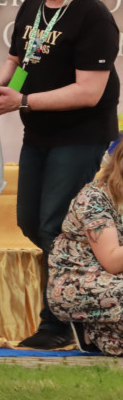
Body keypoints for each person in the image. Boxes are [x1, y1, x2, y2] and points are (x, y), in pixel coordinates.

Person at [0, 0, 120, 350]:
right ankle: (83, 294)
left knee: (56, 223)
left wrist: (25, 101)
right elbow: (19, 59)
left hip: (82, 138)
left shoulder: (94, 18)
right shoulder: (34, 6)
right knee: (31, 222)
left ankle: (56, 324)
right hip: (39, 134)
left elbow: (89, 91)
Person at [47, 138, 123, 355]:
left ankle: (103, 335)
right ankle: (95, 329)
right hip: (80, 279)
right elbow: (111, 261)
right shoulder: (94, 198)